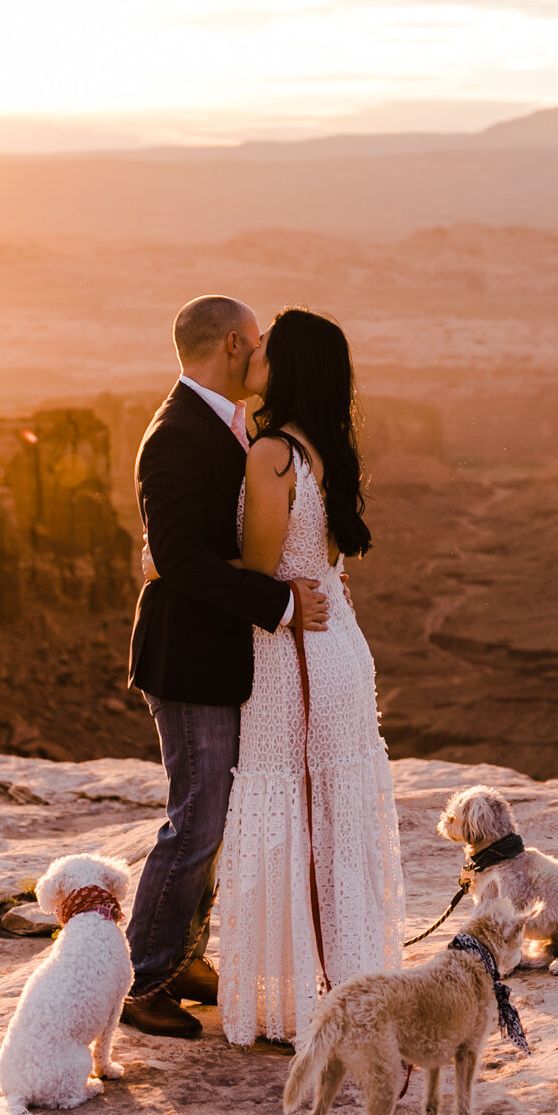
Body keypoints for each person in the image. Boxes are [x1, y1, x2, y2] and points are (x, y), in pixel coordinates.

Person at [120, 296, 330, 1040]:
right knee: (197, 818)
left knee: (214, 815)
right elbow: (176, 558)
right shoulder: (176, 433)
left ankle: (180, 955)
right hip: (188, 659)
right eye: (262, 341)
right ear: (236, 344)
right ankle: (143, 979)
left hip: (220, 656)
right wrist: (273, 600)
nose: (267, 353)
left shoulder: (226, 423)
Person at [212, 308, 405, 1051]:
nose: (253, 356)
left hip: (289, 653)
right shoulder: (325, 447)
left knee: (286, 811)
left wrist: (169, 561)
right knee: (332, 814)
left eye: (266, 350)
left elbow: (260, 573)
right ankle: (349, 981)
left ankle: (294, 999)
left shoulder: (272, 454)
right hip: (341, 649)